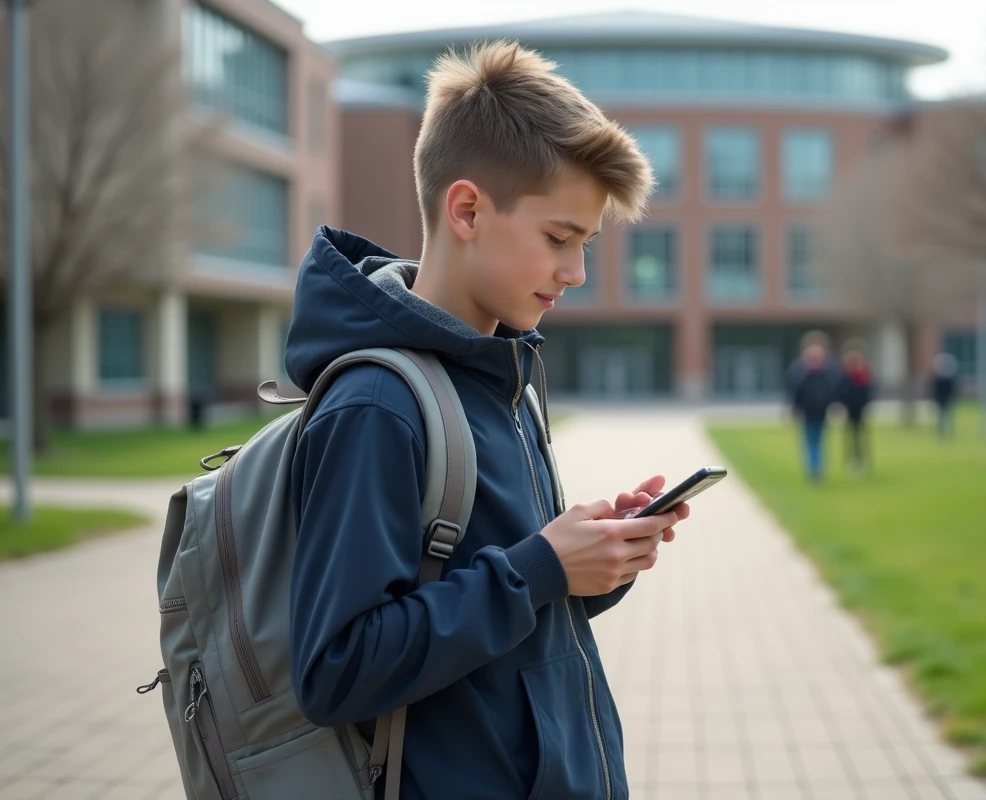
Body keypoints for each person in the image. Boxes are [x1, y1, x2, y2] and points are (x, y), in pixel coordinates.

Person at [285, 42, 689, 799]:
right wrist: (538, 568)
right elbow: (335, 670)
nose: (575, 273)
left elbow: (500, 608)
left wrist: (587, 565)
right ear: (467, 209)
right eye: (559, 240)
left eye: (586, 246)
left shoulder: (504, 379)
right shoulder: (377, 406)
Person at [785, 331, 840, 482]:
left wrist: (834, 405)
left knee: (817, 441)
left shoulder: (827, 369)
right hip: (809, 410)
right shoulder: (801, 369)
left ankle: (816, 469)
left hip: (820, 410)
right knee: (811, 441)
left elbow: (834, 389)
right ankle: (814, 469)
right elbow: (794, 389)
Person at [838, 340, 874, 473]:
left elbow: (868, 390)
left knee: (860, 434)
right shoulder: (846, 374)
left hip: (860, 408)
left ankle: (860, 459)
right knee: (851, 435)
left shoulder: (862, 373)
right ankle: (852, 459)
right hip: (850, 408)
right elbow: (841, 390)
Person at [930, 352, 959, 439]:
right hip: (940, 398)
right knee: (941, 416)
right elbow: (933, 389)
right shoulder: (937, 377)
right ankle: (941, 431)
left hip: (948, 398)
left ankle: (949, 431)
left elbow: (954, 389)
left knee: (949, 416)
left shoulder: (950, 377)